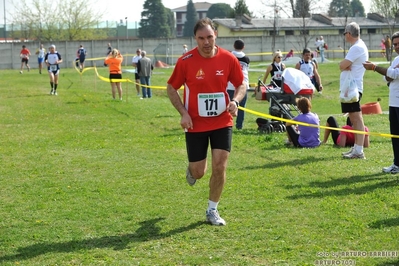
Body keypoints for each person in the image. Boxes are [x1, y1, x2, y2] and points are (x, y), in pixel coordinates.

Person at [166, 18, 246, 226]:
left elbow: (241, 84)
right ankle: (192, 169)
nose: (206, 42)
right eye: (201, 38)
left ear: (215, 36)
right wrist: (183, 113)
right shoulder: (186, 61)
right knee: (199, 173)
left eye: (209, 37)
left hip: (222, 121)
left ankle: (212, 210)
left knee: (220, 166)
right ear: (195, 39)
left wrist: (235, 102)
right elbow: (171, 87)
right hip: (195, 124)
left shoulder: (228, 59)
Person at [363, 31, 399, 173]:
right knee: (395, 136)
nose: (396, 47)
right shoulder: (396, 60)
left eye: (398, 44)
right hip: (393, 103)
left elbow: (393, 74)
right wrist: (390, 73)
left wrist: (374, 67)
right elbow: (387, 78)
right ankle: (397, 164)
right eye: (395, 44)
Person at [340, 22, 368, 159]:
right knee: (353, 118)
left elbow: (342, 65)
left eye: (345, 33)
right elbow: (345, 65)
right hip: (351, 88)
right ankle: (356, 148)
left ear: (349, 34)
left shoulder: (356, 47)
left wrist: (344, 65)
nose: (345, 36)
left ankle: (359, 150)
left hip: (353, 89)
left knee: (356, 119)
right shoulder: (357, 46)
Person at [226, 39, 250, 130]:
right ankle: (239, 126)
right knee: (241, 107)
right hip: (243, 86)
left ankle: (228, 124)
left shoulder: (229, 55)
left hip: (230, 85)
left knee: (228, 106)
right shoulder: (246, 59)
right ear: (243, 47)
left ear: (234, 46)